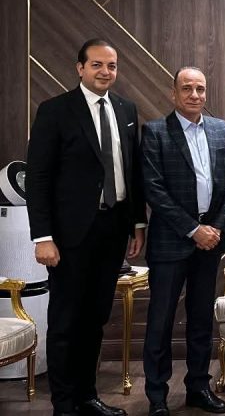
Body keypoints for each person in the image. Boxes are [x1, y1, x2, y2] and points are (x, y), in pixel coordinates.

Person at [26, 38, 146, 416]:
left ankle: (87, 396)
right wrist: (42, 236)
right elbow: (38, 178)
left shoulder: (126, 109)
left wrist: (137, 223)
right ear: (80, 68)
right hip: (69, 236)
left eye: (111, 65)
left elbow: (132, 172)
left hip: (113, 229)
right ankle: (64, 405)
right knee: (66, 320)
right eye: (97, 64)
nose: (105, 72)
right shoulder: (55, 110)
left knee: (95, 318)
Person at [141, 67, 225, 416]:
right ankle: (157, 395)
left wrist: (214, 228)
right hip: (171, 242)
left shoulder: (221, 130)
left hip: (211, 242)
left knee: (201, 319)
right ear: (174, 93)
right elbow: (154, 188)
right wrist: (192, 229)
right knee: (161, 321)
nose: (194, 95)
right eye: (187, 88)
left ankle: (199, 387)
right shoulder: (155, 132)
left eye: (200, 88)